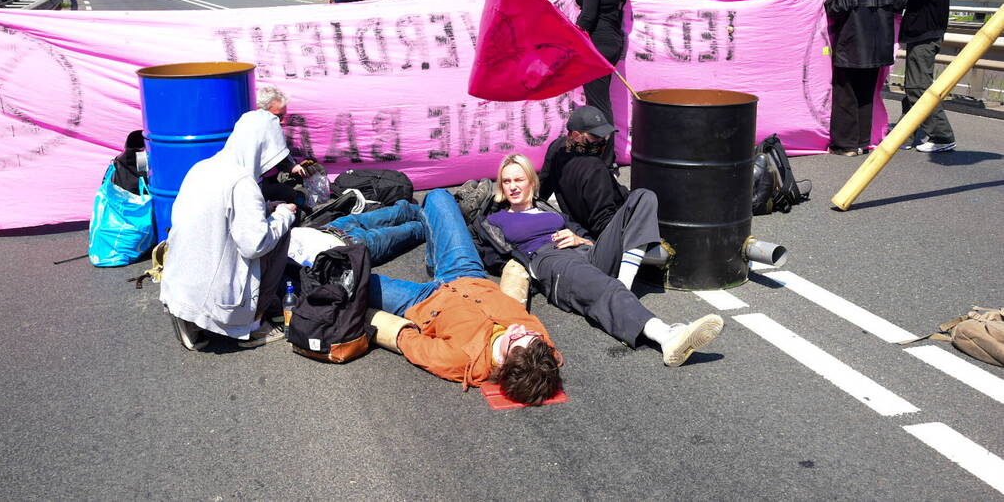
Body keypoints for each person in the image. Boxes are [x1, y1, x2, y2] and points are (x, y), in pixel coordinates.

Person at [290, 191, 563, 405]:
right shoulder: (539, 350)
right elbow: (544, 360)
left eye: (514, 339)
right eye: (530, 334)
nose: (518, 329)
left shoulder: (460, 361)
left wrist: (381, 324)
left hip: (420, 302)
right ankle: (428, 232)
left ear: (502, 363)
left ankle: (423, 231)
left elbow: (409, 342)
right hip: (466, 273)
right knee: (439, 197)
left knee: (338, 273)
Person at [475, 154, 723, 367]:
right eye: (506, 181)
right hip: (550, 260)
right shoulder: (496, 220)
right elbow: (490, 255)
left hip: (584, 252)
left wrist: (579, 239)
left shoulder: (547, 210)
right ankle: (667, 337)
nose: (513, 187)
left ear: (531, 182)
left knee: (642, 197)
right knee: (604, 287)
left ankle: (622, 285)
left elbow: (584, 234)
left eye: (519, 179)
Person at [160, 109, 297, 350]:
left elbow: (217, 216)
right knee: (280, 233)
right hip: (219, 297)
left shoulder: (201, 167)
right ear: (261, 148)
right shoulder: (243, 182)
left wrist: (265, 208)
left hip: (179, 283)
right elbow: (255, 244)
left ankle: (188, 316)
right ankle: (254, 325)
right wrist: (284, 214)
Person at [824, 0, 907, 156]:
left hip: (850, 46)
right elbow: (900, 2)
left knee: (845, 96)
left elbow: (836, 9)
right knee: (866, 95)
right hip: (879, 47)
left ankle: (845, 145)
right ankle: (862, 142)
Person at [574, 0, 630, 170]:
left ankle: (606, 160)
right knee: (600, 99)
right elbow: (599, 2)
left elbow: (587, 16)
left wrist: (570, 32)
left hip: (597, 43)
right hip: (614, 42)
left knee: (598, 103)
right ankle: (602, 155)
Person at [897, 0, 955, 152]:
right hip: (923, 34)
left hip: (926, 34)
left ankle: (942, 136)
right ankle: (904, 135)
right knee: (913, 85)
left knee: (918, 86)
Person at [538, 105, 629, 238]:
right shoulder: (595, 168)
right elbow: (603, 221)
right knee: (646, 196)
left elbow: (542, 189)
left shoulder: (557, 147)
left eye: (605, 136)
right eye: (595, 137)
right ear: (576, 136)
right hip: (604, 232)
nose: (602, 141)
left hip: (579, 227)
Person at [256, 85, 317, 209]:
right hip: (258, 186)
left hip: (271, 180)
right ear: (260, 111)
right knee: (291, 195)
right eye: (278, 116)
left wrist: (293, 166)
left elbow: (282, 157)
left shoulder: (274, 131)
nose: (283, 121)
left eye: (283, 116)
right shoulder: (252, 135)